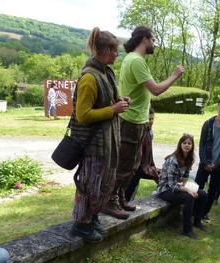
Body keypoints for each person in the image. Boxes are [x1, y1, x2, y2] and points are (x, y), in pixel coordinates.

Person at [103, 26, 184, 219]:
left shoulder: (132, 59)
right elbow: (155, 90)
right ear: (144, 39)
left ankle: (121, 198)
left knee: (132, 165)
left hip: (137, 122)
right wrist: (175, 75)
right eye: (153, 39)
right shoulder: (136, 61)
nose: (154, 43)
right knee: (124, 166)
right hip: (130, 122)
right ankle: (109, 202)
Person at [70, 27, 129, 243]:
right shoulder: (89, 78)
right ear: (104, 50)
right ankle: (80, 224)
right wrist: (113, 110)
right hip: (93, 144)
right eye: (115, 51)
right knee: (89, 184)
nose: (117, 55)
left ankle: (92, 218)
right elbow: (83, 115)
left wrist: (119, 101)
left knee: (104, 184)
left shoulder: (106, 72)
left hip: (108, 142)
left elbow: (106, 101)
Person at [157, 134, 208, 240]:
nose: (187, 145)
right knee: (189, 197)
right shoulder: (173, 160)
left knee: (203, 194)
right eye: (184, 143)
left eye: (189, 143)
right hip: (165, 189)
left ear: (192, 146)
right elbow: (171, 185)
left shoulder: (189, 159)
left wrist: (191, 188)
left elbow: (184, 178)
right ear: (180, 144)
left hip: (178, 185)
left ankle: (197, 221)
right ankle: (187, 229)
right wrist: (188, 191)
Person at [195, 97, 220, 220]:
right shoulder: (208, 123)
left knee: (213, 190)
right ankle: (193, 210)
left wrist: (216, 164)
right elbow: (201, 144)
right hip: (205, 162)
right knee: (197, 186)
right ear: (218, 107)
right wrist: (204, 161)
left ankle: (205, 212)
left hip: (219, 165)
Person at [125, 106, 160, 201]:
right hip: (135, 166)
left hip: (144, 165)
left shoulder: (150, 132)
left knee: (162, 175)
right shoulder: (139, 131)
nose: (151, 121)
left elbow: (149, 153)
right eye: (149, 119)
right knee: (131, 186)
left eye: (153, 118)